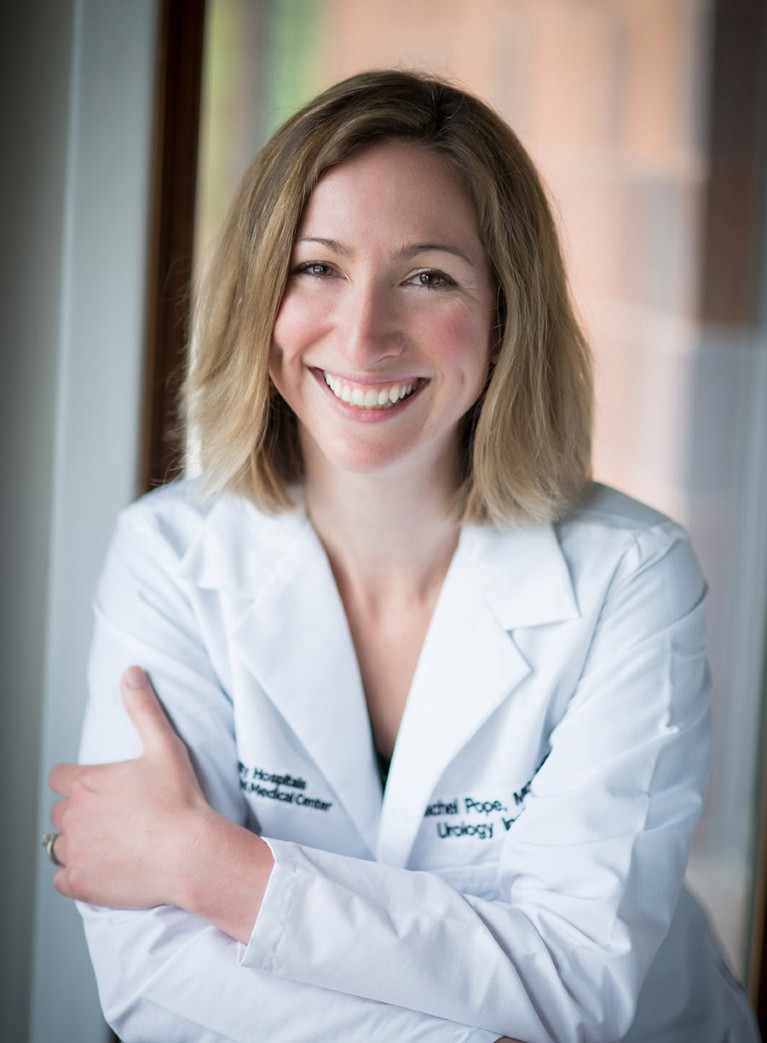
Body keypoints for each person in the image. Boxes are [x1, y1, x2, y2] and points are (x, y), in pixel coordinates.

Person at [45, 70, 760, 1043]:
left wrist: (215, 870)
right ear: (261, 293)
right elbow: (154, 974)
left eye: (427, 275)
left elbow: (578, 977)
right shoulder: (169, 555)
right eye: (316, 267)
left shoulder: (629, 575)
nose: (363, 331)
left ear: (506, 313)